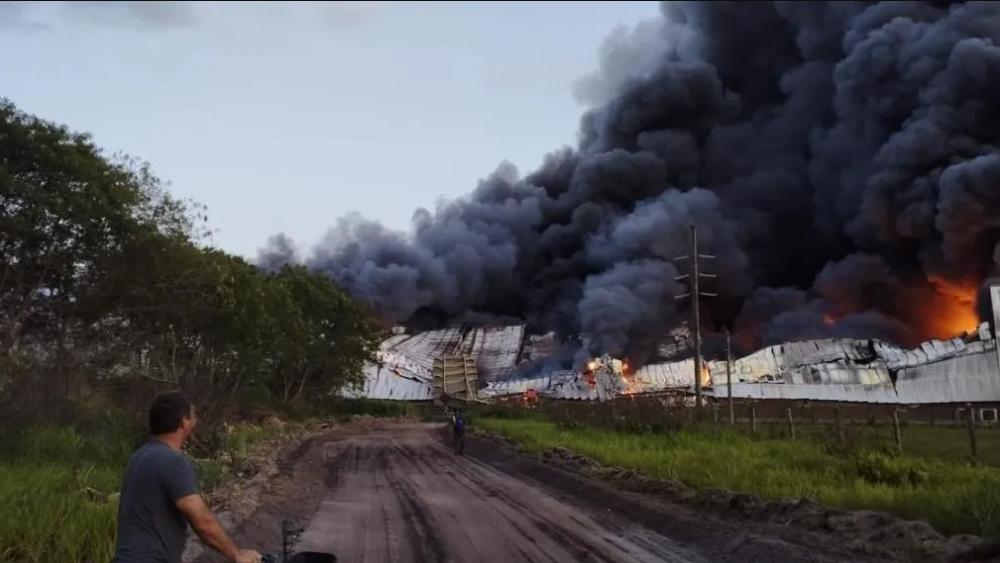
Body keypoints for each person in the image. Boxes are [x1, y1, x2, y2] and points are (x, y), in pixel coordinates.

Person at [113, 391, 262, 563]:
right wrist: (237, 554)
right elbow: (202, 521)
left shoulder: (139, 456)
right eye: (193, 415)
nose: (196, 420)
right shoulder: (173, 461)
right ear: (184, 422)